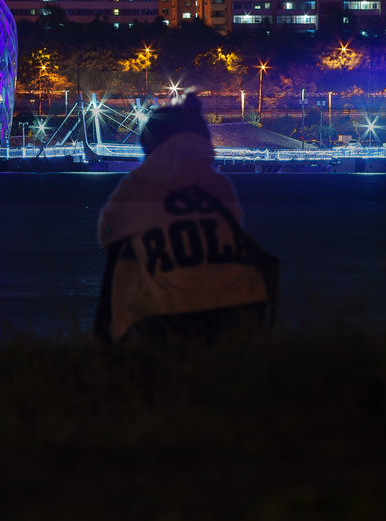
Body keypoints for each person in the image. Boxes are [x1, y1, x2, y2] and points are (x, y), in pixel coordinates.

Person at [95, 94, 276, 343]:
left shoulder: (138, 187)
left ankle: (109, 340)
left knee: (125, 251)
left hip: (174, 313)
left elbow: (107, 236)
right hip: (240, 308)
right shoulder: (219, 185)